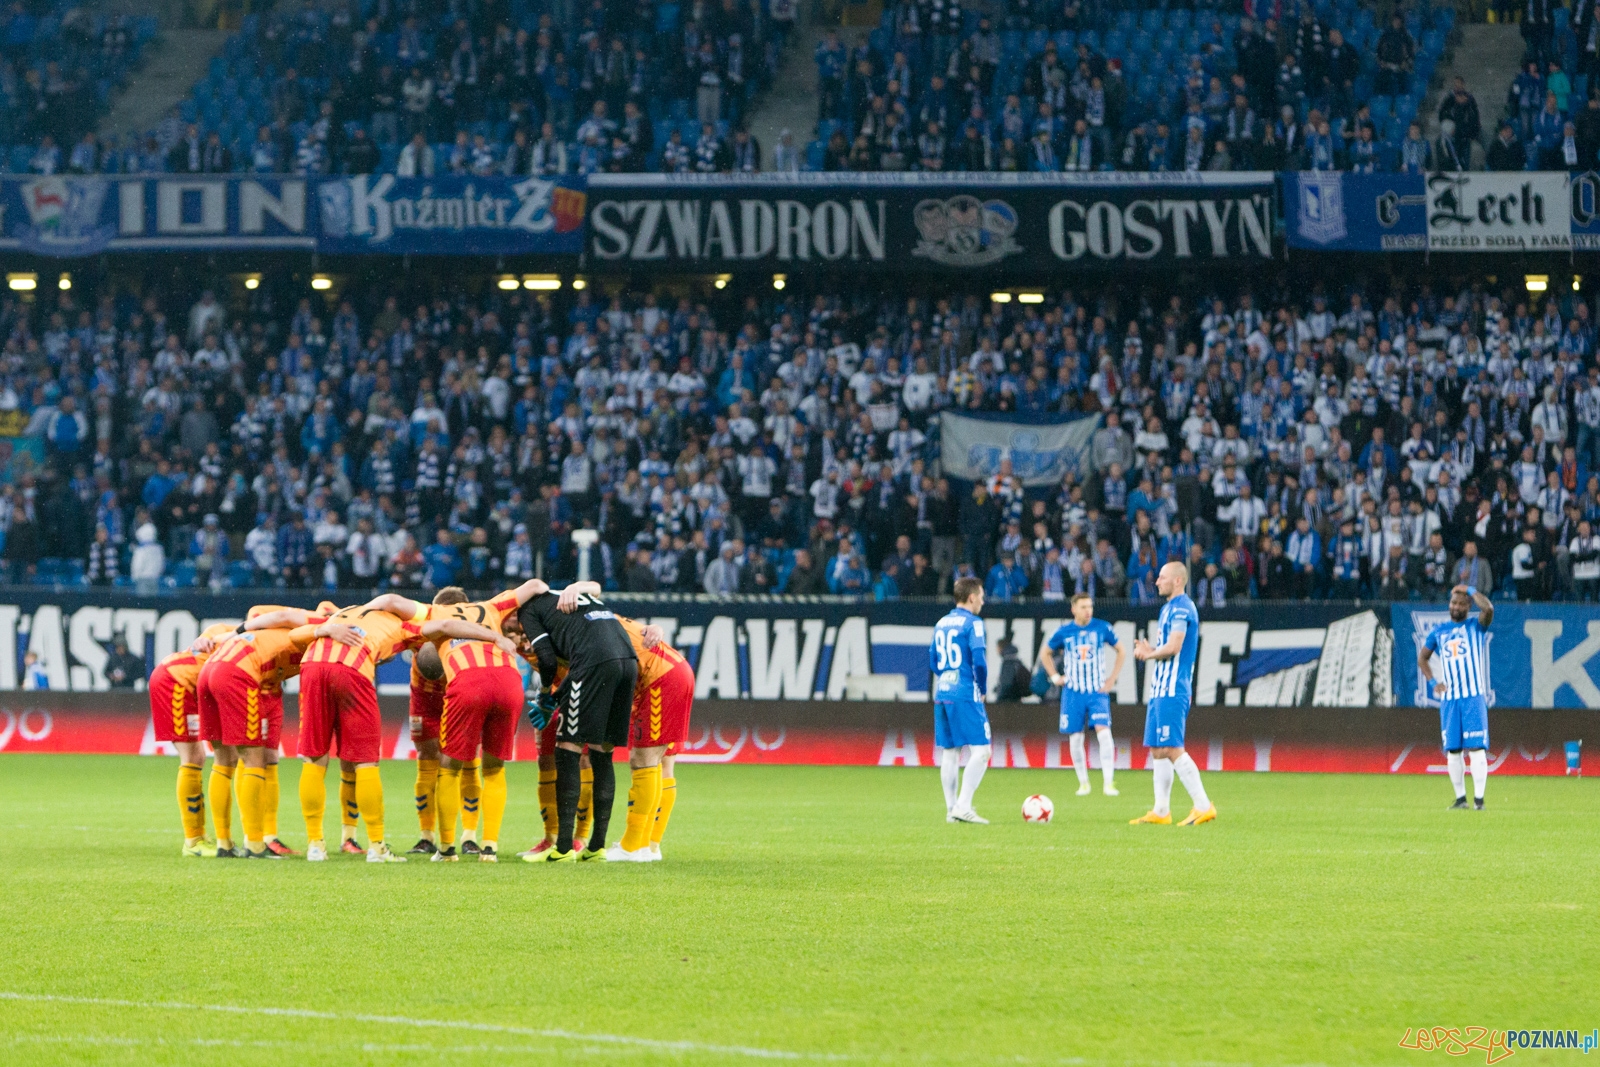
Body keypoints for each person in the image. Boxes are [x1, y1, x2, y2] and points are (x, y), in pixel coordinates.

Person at [293, 594, 512, 862]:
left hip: (312, 667)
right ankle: (376, 847)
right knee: (365, 762)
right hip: (352, 669)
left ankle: (315, 845)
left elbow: (295, 635)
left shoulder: (344, 612)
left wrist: (322, 630)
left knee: (314, 757)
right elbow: (445, 627)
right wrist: (493, 636)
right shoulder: (402, 626)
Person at [551, 581, 694, 861]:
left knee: (643, 760)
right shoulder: (606, 618)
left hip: (659, 679)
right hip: (675, 670)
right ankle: (650, 844)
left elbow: (593, 587)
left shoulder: (588, 630)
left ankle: (632, 846)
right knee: (664, 763)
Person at [200, 610, 358, 859]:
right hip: (239, 671)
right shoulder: (323, 629)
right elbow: (281, 615)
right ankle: (254, 845)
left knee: (223, 761)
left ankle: (225, 843)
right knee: (254, 760)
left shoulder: (292, 639)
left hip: (211, 669)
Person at [416, 579, 547, 862]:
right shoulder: (491, 606)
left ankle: (447, 849)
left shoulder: (431, 614)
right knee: (494, 768)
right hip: (509, 681)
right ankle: (489, 848)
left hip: (469, 682)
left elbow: (396, 605)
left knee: (450, 767)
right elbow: (536, 584)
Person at [518, 583, 640, 862]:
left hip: (594, 661)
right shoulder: (575, 596)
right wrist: (555, 697)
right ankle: (597, 846)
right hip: (627, 660)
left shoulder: (529, 609)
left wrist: (546, 693)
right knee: (602, 752)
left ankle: (562, 848)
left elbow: (547, 660)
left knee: (567, 748)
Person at [1131, 562, 1216, 826]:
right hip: (1159, 688)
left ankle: (1203, 805)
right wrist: (1154, 649)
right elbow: (1168, 645)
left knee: (1171, 747)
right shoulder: (1168, 608)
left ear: (1177, 581)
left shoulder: (1182, 607)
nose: (1157, 582)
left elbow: (1175, 646)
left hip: (1172, 688)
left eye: (1162, 577)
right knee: (1157, 749)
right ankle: (1161, 811)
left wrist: (1149, 654)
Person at [147, 621, 239, 856]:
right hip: (176, 680)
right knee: (193, 757)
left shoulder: (230, 631)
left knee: (223, 756)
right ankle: (193, 840)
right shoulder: (242, 639)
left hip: (194, 684)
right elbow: (203, 643)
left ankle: (206, 835)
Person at [1039, 592, 1125, 798]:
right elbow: (1045, 653)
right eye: (1084, 607)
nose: (1088, 611)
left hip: (1097, 691)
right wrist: (1054, 676)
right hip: (1073, 692)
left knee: (1104, 734)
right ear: (1074, 609)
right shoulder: (1064, 631)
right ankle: (1083, 783)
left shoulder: (1102, 627)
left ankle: (1108, 783)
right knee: (1075, 739)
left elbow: (1121, 650)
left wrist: (1112, 678)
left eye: (1090, 606)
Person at [1417, 584, 1495, 810]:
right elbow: (1423, 658)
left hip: (1473, 697)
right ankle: (1461, 799)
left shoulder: (1476, 626)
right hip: (1450, 699)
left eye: (1461, 604)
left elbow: (1488, 608)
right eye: (1453, 603)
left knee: (1477, 749)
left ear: (1468, 606)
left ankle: (1479, 801)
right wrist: (1433, 682)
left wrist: (1470, 589)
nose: (1456, 607)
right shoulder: (1439, 632)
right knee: (1453, 750)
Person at [930, 577, 991, 824]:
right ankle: (964, 805)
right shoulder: (974, 623)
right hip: (965, 691)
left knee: (950, 752)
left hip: (943, 690)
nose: (983, 601)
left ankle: (951, 809)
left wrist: (947, 677)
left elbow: (933, 661)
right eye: (982, 596)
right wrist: (982, 687)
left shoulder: (941, 623)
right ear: (972, 597)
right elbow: (979, 660)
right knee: (982, 750)